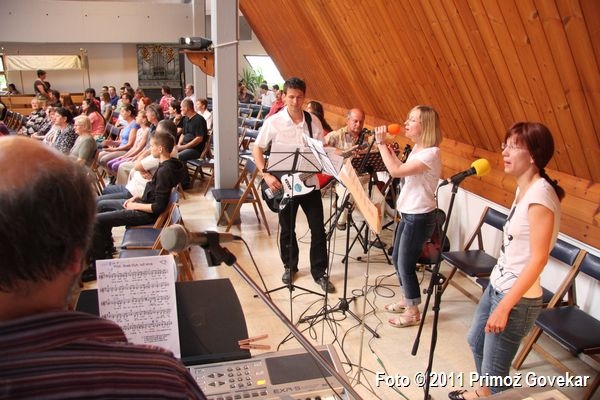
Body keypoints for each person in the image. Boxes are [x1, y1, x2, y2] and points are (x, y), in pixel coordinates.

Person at [0, 136, 206, 399]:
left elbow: (156, 205)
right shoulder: (163, 380)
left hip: (145, 213)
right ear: (76, 258)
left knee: (103, 214)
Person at [447, 122, 564, 400]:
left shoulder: (540, 198)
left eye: (513, 147)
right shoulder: (525, 188)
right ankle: (484, 392)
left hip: (517, 299)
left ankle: (491, 393)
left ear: (533, 155)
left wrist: (504, 307)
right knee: (476, 341)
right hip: (498, 286)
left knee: (496, 375)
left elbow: (538, 260)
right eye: (505, 145)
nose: (505, 152)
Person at [252, 77, 335, 293]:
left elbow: (320, 149)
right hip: (284, 184)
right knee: (287, 229)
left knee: (318, 228)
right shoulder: (273, 122)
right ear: (283, 96)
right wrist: (266, 175)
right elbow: (257, 148)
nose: (295, 102)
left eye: (299, 97)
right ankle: (290, 266)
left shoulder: (313, 121)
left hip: (309, 184)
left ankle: (320, 272)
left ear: (304, 97)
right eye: (291, 97)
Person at [373, 105, 442, 327]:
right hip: (409, 213)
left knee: (405, 263)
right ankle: (407, 298)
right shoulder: (418, 148)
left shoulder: (431, 153)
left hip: (419, 216)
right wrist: (390, 152)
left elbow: (396, 171)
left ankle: (413, 312)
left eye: (412, 120)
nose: (406, 123)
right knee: (397, 258)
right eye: (408, 118)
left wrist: (381, 144)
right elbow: (402, 167)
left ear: (425, 126)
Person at [86, 130, 186, 278]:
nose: (150, 149)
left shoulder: (165, 171)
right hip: (143, 203)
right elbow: (156, 192)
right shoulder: (170, 164)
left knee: (97, 220)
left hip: (146, 214)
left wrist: (134, 206)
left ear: (160, 149)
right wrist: (138, 197)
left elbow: (158, 207)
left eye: (152, 146)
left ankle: (97, 267)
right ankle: (105, 250)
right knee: (101, 207)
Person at [327, 108, 372, 230]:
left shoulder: (366, 138)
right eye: (355, 121)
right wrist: (344, 152)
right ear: (347, 121)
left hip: (362, 178)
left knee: (379, 198)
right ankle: (341, 220)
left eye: (361, 122)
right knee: (349, 194)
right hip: (342, 178)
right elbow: (322, 148)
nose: (358, 124)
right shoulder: (336, 135)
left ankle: (373, 231)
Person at [177, 98, 208, 189]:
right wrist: (179, 144)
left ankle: (185, 183)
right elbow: (183, 133)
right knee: (170, 154)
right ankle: (176, 179)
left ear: (187, 108)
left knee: (178, 157)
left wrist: (184, 147)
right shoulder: (185, 119)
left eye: (182, 107)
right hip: (185, 146)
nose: (180, 109)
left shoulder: (199, 120)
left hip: (195, 149)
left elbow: (199, 139)